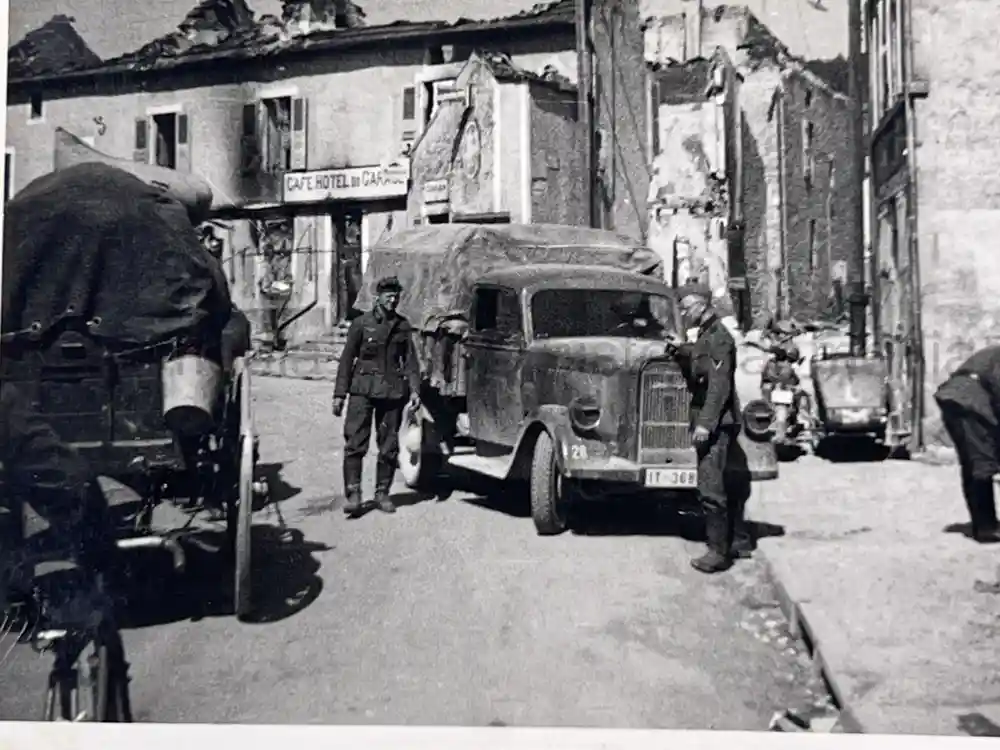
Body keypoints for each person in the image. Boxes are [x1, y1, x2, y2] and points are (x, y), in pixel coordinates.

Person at [663, 283, 752, 573]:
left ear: (702, 305)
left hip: (717, 422)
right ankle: (737, 541)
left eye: (687, 308)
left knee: (710, 486)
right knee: (728, 481)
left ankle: (718, 553)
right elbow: (701, 358)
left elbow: (718, 386)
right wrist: (683, 351)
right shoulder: (706, 335)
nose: (685, 313)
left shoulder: (720, 338)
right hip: (717, 419)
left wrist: (705, 424)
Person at [332, 276, 422, 518]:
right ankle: (353, 494)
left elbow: (411, 361)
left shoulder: (402, 326)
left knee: (389, 447)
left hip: (392, 392)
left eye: (395, 296)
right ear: (378, 297)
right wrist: (339, 394)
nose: (392, 300)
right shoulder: (361, 323)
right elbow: (346, 359)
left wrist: (415, 390)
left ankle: (383, 493)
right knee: (355, 444)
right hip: (362, 390)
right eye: (388, 295)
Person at [934, 345, 1000, 544]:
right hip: (970, 401)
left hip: (957, 399)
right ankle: (986, 528)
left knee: (972, 463)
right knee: (981, 464)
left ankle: (983, 523)